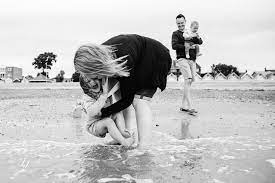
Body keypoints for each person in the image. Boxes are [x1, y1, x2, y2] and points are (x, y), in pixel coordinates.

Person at [74, 34, 172, 148]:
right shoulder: (100, 58)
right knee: (123, 97)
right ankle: (126, 136)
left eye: (87, 73)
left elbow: (127, 99)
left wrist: (102, 113)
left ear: (95, 67)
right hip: (137, 57)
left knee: (139, 101)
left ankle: (143, 146)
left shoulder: (122, 60)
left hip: (155, 57)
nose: (86, 77)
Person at [74, 75, 135, 147]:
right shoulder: (88, 97)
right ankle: (124, 142)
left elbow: (110, 80)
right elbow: (91, 112)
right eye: (88, 81)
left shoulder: (104, 90)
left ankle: (122, 134)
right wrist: (103, 96)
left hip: (106, 118)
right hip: (93, 126)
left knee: (117, 113)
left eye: (94, 78)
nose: (92, 82)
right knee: (108, 121)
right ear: (85, 86)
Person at [171, 14, 203, 114]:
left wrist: (196, 38)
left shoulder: (190, 32)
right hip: (182, 59)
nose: (180, 25)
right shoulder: (175, 34)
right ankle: (190, 107)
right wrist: (186, 46)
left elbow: (200, 42)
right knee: (188, 79)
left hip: (192, 60)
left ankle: (183, 105)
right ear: (177, 23)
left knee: (190, 81)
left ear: (185, 22)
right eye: (178, 23)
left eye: (182, 23)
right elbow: (174, 46)